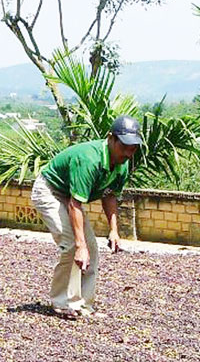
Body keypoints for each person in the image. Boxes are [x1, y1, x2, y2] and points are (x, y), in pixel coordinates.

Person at [30, 115, 142, 318]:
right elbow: (75, 204)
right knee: (72, 244)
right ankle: (62, 302)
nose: (128, 152)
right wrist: (80, 246)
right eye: (124, 146)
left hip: (70, 196)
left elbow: (109, 196)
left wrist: (114, 230)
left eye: (133, 148)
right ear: (111, 138)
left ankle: (83, 305)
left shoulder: (122, 164)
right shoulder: (89, 159)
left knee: (91, 249)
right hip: (50, 190)